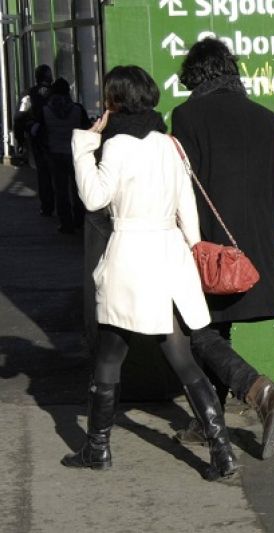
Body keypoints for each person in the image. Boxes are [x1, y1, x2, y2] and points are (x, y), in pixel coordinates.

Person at [62, 65, 239, 481]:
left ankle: (97, 449)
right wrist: (193, 252)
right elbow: (187, 209)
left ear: (115, 100)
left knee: (109, 356)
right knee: (182, 357)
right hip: (168, 257)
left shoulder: (118, 145)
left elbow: (93, 197)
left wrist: (86, 144)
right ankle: (222, 451)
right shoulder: (169, 145)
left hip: (130, 259)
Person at [171, 37, 274, 460]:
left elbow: (184, 187)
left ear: (197, 74)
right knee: (219, 327)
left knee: (197, 329)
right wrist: (270, 239)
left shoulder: (187, 116)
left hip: (208, 244)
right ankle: (210, 421)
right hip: (254, 244)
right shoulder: (268, 119)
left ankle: (260, 392)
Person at [42, 78, 90, 233]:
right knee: (77, 188)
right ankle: (79, 219)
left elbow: (42, 132)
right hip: (74, 153)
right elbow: (86, 128)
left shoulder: (45, 110)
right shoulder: (77, 109)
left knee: (61, 189)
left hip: (55, 153)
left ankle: (66, 223)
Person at [23, 65, 54, 216]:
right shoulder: (56, 92)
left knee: (43, 172)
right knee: (59, 174)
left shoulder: (31, 93)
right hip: (56, 136)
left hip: (39, 135)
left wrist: (22, 133)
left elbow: (20, 115)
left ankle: (47, 205)